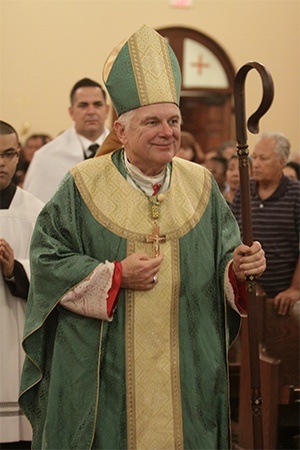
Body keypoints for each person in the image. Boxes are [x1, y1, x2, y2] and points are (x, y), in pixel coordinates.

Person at [20, 25, 266, 450]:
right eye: (152, 121)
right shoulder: (82, 184)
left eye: (173, 121)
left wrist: (240, 269)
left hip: (186, 368)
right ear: (122, 127)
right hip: (106, 372)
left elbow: (226, 258)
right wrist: (113, 275)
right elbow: (47, 259)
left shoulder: (201, 185)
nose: (167, 131)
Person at [0, 121, 44, 449]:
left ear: (19, 157)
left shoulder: (36, 211)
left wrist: (15, 268)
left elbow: (51, 271)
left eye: (8, 154)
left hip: (16, 331)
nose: (1, 162)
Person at [231, 131, 300, 316]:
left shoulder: (296, 193)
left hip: (282, 297)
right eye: (255, 157)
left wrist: (295, 289)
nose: (257, 164)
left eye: (264, 158)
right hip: (247, 294)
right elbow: (231, 237)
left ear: (282, 161)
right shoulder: (243, 191)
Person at [23, 78, 110, 202]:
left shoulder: (126, 150)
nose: (91, 111)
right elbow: (34, 208)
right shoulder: (46, 157)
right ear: (71, 112)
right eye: (83, 105)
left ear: (107, 110)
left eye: (97, 104)